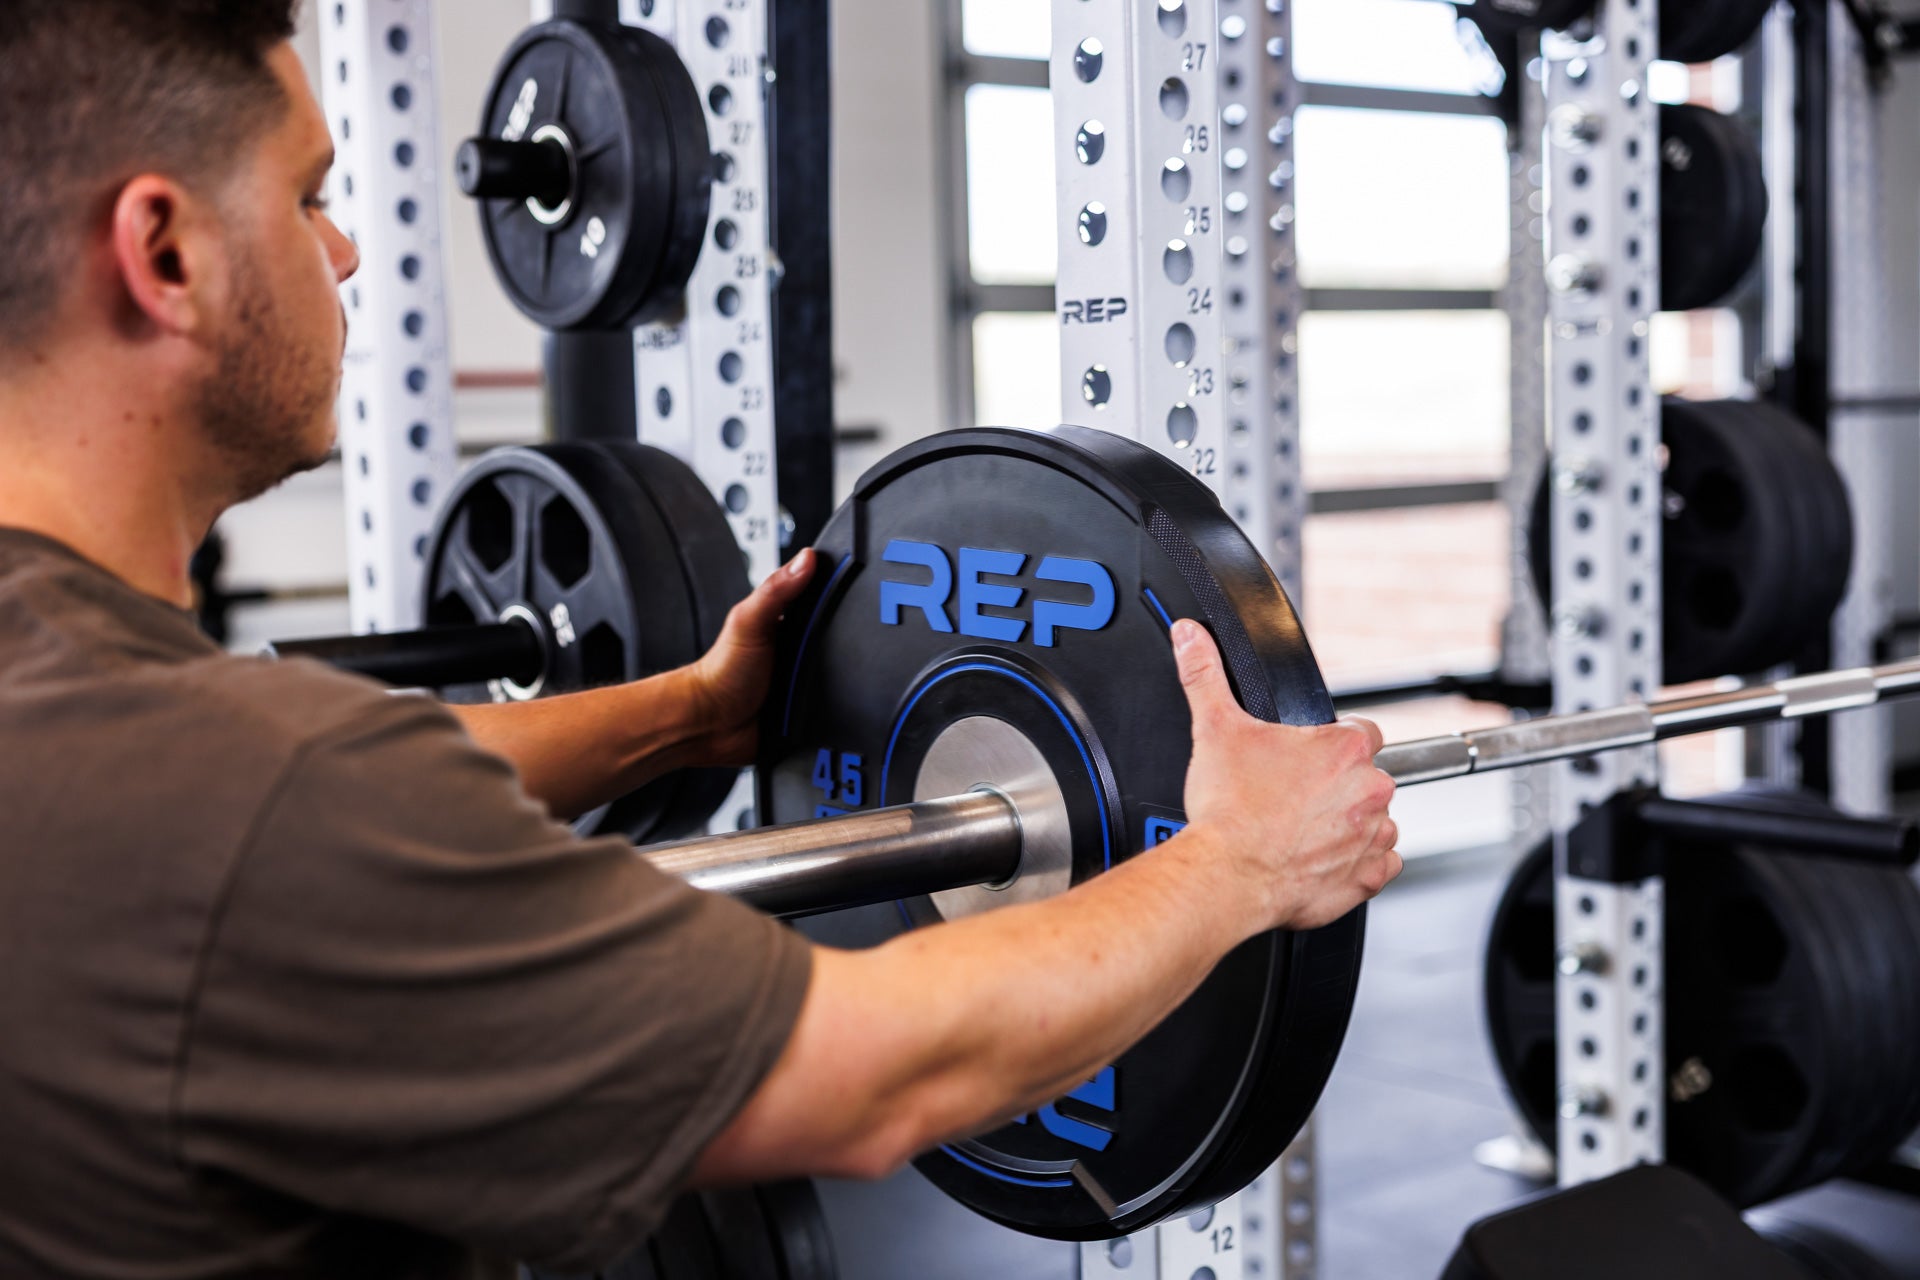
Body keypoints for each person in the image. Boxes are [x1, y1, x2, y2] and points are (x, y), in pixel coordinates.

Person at [0, 3, 1402, 1276]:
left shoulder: (85, 710)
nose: (348, 248)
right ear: (165, 253)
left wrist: (685, 714)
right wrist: (1241, 863)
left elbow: (325, 775)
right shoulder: (247, 808)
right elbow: (872, 1077)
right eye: (309, 196)